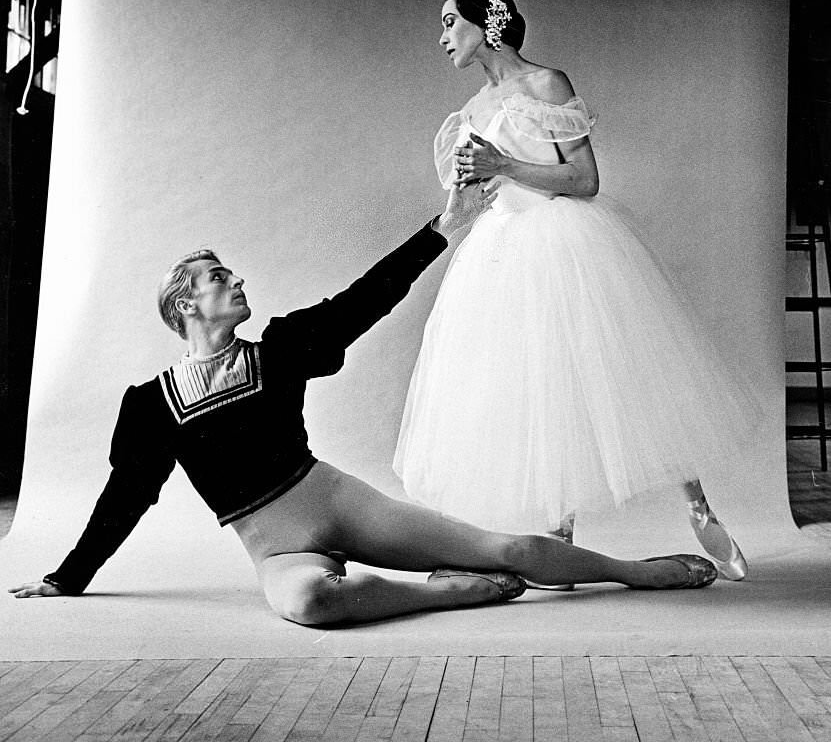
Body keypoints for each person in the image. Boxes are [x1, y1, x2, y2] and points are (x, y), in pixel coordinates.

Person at [10, 182, 718, 623]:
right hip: (276, 545)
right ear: (182, 302)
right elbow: (126, 494)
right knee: (309, 603)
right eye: (217, 277)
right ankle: (453, 592)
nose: (235, 280)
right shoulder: (149, 405)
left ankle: (636, 573)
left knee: (510, 547)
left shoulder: (279, 349)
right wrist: (68, 577)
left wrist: (441, 230)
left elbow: (361, 302)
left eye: (229, 272)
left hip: (341, 503)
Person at [394, 0, 760, 585]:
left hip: (565, 244)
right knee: (535, 384)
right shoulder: (471, 113)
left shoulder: (545, 84)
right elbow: (474, 201)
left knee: (630, 367)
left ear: (487, 24)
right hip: (501, 253)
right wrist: (461, 196)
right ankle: (560, 537)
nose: (441, 38)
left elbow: (585, 179)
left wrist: (502, 163)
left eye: (449, 23)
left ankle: (699, 506)